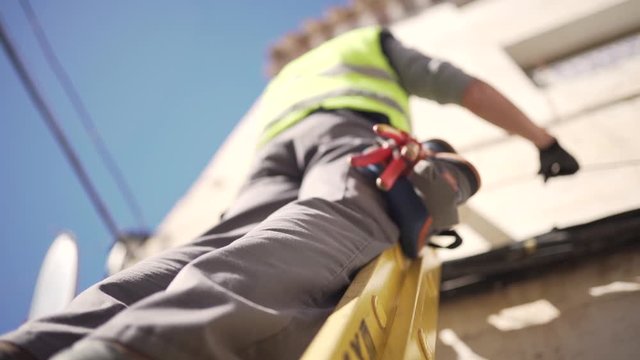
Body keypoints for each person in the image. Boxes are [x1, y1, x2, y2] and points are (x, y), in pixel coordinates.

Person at [0, 26, 579, 360]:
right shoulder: (370, 41)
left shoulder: (289, 76)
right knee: (328, 227)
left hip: (273, 155)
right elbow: (468, 88)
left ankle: (36, 346)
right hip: (354, 135)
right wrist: (543, 139)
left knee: (203, 253)